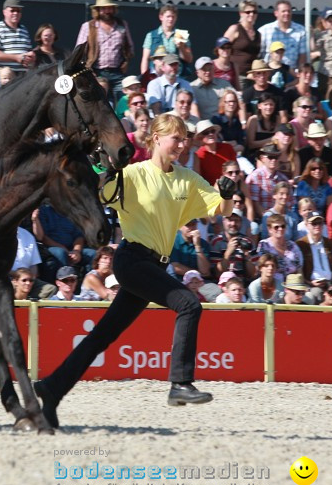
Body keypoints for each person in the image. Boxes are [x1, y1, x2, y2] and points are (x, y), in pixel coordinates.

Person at [34, 113, 234, 424]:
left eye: (184, 140)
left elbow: (219, 210)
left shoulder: (187, 178)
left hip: (152, 265)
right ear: (156, 139)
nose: (182, 145)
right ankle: (180, 383)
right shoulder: (134, 174)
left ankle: (51, 388)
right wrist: (104, 168)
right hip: (131, 260)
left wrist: (227, 193)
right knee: (190, 305)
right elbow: (101, 191)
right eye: (176, 139)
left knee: (102, 336)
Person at [76, 0, 134, 101]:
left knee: (124, 101)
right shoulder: (88, 26)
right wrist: (87, 69)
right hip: (97, 72)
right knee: (101, 104)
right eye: (104, 8)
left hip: (118, 72)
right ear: (97, 10)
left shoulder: (122, 24)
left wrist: (126, 60)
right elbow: (79, 51)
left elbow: (130, 47)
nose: (107, 11)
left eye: (109, 8)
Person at [297, 211, 332, 304]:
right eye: (314, 223)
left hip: (330, 284)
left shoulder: (329, 244)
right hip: (311, 285)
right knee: (316, 293)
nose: (317, 226)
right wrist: (309, 283)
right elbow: (299, 271)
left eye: (320, 223)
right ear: (307, 225)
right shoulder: (301, 244)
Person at [141, 4, 193, 75]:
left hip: (176, 76)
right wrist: (144, 77)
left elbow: (189, 59)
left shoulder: (181, 34)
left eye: (173, 17)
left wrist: (181, 47)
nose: (171, 19)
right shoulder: (151, 35)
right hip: (156, 76)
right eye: (168, 16)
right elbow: (145, 59)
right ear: (161, 17)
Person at [224, 0, 261, 89]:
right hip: (238, 76)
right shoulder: (235, 29)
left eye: (254, 12)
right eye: (248, 12)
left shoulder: (258, 34)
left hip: (253, 77)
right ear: (241, 13)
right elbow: (222, 48)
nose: (251, 14)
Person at [258, 0, 306, 69]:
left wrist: (299, 74)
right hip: (269, 72)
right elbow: (259, 54)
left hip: (291, 74)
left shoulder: (301, 31)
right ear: (276, 13)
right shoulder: (264, 30)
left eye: (289, 11)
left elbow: (302, 56)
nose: (287, 13)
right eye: (283, 11)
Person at [311, 7, 332, 98]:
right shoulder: (323, 36)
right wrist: (311, 36)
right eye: (330, 21)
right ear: (325, 22)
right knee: (324, 98)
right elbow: (314, 48)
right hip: (326, 74)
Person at [256, 212, 303, 278]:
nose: (280, 229)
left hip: (292, 283)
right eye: (276, 227)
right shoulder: (264, 245)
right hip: (273, 283)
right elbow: (261, 268)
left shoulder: (293, 246)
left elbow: (299, 269)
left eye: (283, 226)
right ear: (270, 229)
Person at [246, 144, 289, 214]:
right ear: (262, 158)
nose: (274, 160)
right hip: (262, 220)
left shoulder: (283, 178)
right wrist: (267, 218)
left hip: (282, 219)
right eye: (270, 157)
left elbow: (290, 203)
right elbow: (254, 203)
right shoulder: (254, 177)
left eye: (276, 157)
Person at [190, 56, 230, 120]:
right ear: (197, 73)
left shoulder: (224, 84)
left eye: (210, 69)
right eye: (204, 69)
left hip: (222, 123)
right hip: (203, 125)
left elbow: (237, 98)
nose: (208, 72)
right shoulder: (191, 88)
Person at [211, 89, 246, 154]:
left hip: (235, 155)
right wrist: (233, 143)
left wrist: (228, 145)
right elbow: (217, 143)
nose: (232, 104)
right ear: (223, 103)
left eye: (234, 101)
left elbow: (242, 145)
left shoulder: (237, 121)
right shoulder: (216, 120)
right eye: (229, 101)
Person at [244, 92, 279, 157]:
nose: (269, 107)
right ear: (259, 106)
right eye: (265, 104)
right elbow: (250, 144)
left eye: (271, 104)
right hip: (255, 154)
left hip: (272, 155)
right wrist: (271, 140)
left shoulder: (277, 119)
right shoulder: (253, 120)